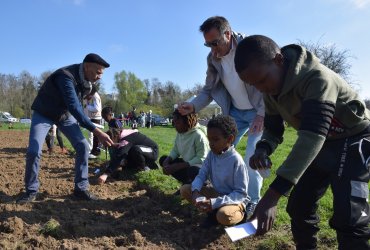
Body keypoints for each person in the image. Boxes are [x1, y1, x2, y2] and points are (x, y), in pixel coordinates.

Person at [234, 35, 370, 250]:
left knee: (350, 216)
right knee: (299, 206)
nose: (261, 89)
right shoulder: (270, 91)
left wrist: (271, 196)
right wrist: (263, 148)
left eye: (261, 80)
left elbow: (312, 137)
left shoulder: (317, 79)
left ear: (278, 60)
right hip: (323, 143)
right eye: (253, 85)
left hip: (355, 139)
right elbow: (273, 129)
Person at [178, 16, 265, 218]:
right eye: (207, 44)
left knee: (252, 154)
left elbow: (266, 79)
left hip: (257, 111)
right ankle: (219, 191)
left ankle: (253, 201)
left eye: (215, 43)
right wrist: (193, 105)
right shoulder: (213, 59)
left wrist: (262, 113)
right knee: (218, 150)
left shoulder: (249, 47)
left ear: (228, 34)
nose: (212, 49)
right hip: (234, 112)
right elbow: (209, 89)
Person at [16, 53, 114, 204]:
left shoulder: (87, 82)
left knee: (82, 146)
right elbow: (74, 107)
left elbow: (78, 107)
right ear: (87, 66)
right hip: (44, 114)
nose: (100, 76)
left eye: (102, 73)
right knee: (33, 151)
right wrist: (97, 131)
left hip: (64, 115)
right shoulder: (65, 76)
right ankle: (31, 190)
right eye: (98, 71)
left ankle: (80, 188)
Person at [180, 115, 249, 228]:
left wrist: (213, 203)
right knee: (186, 190)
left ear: (230, 139)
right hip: (217, 194)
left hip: (234, 200)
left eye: (216, 139)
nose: (211, 144)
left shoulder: (236, 160)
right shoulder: (212, 154)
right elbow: (202, 175)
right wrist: (196, 191)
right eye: (209, 139)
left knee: (224, 216)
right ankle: (212, 213)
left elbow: (240, 193)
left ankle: (240, 213)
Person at [159, 109, 210, 190]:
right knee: (163, 159)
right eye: (174, 122)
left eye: (178, 122)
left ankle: (203, 186)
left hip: (201, 168)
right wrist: (167, 160)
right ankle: (187, 183)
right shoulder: (181, 133)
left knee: (193, 171)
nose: (175, 125)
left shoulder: (199, 135)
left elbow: (202, 159)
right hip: (188, 164)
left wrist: (179, 166)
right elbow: (176, 150)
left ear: (187, 122)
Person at [84, 84, 102, 159]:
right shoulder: (94, 95)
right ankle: (92, 150)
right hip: (93, 117)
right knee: (92, 135)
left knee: (96, 136)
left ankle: (95, 152)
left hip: (96, 117)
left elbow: (97, 108)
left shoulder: (95, 96)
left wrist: (87, 106)